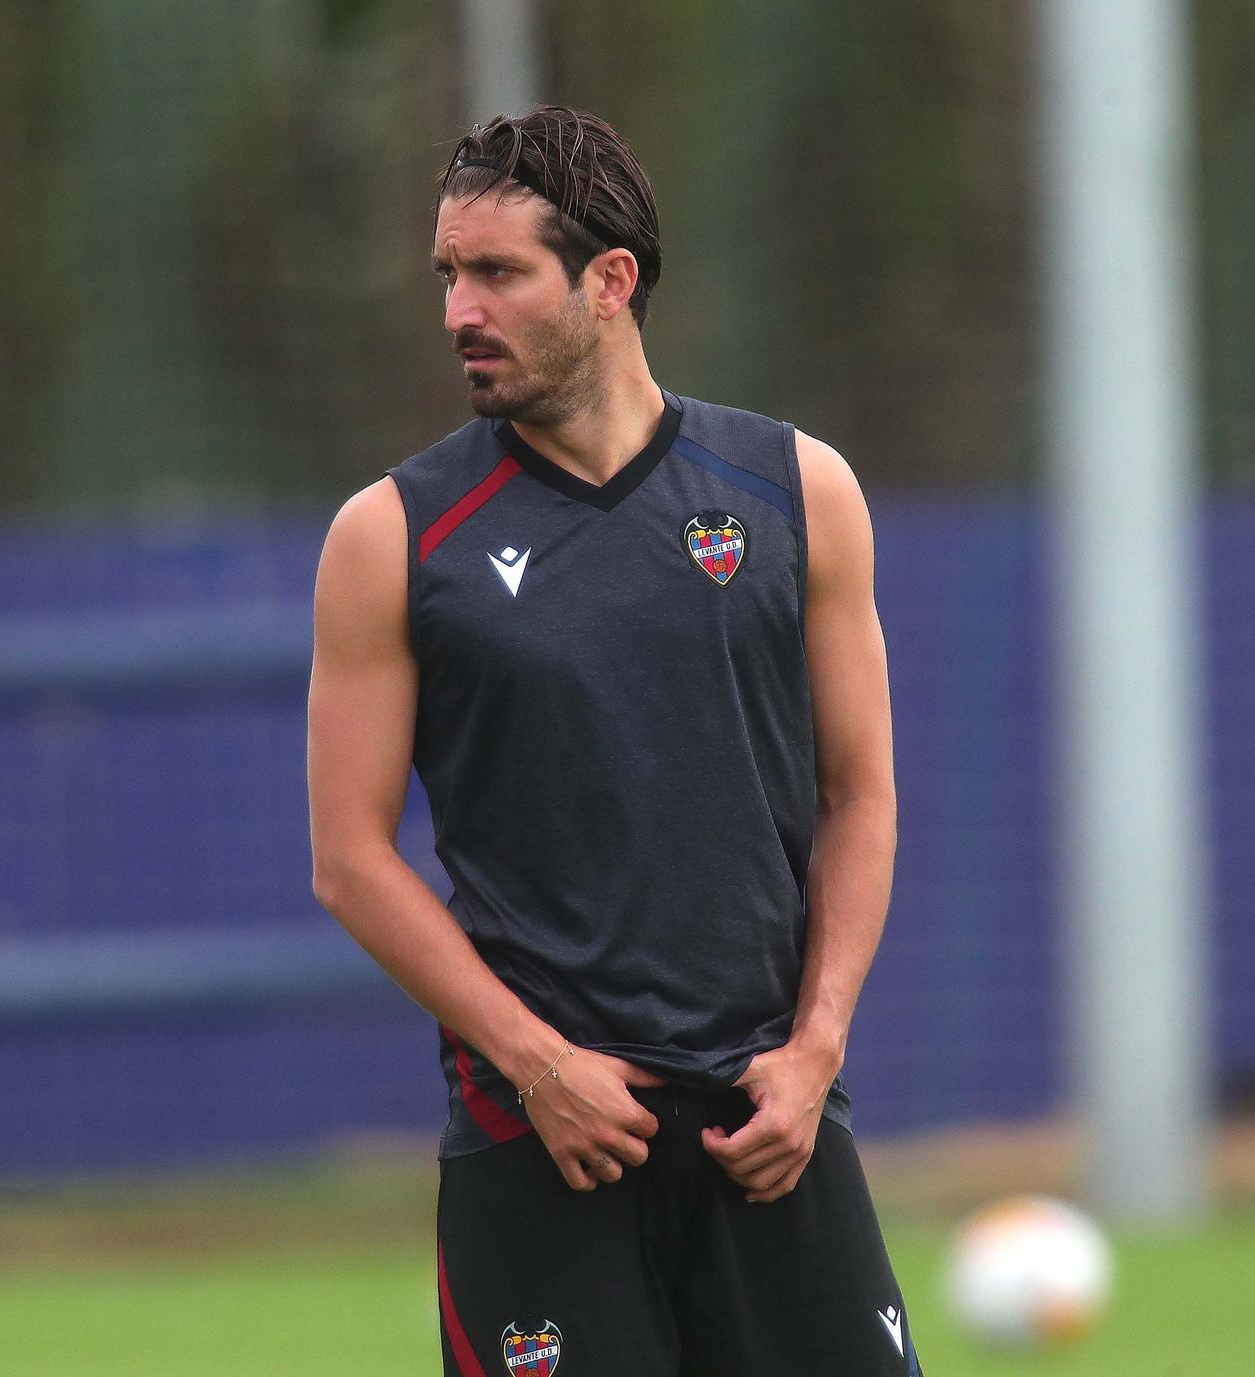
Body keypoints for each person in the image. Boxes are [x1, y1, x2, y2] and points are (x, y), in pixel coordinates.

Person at [305, 105, 920, 1375]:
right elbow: (348, 859)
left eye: (495, 273)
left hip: (771, 1131)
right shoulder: (391, 535)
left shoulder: (798, 492)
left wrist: (814, 1053)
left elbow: (857, 796)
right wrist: (536, 1066)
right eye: (445, 276)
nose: (456, 312)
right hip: (542, 1144)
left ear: (608, 281)